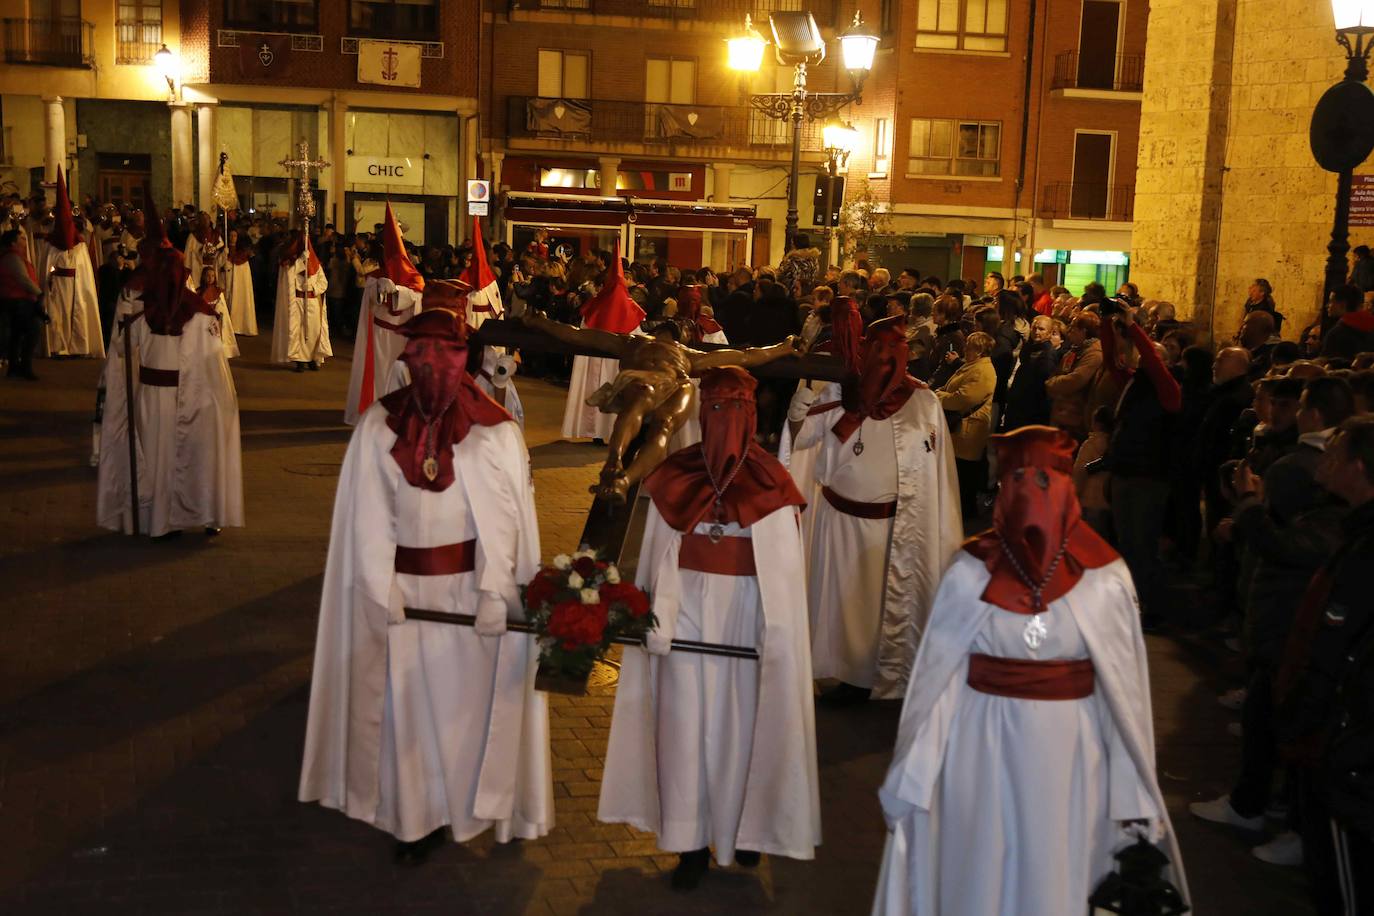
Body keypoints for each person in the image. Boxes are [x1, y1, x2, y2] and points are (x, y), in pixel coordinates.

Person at [872, 426, 1188, 916]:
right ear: (1002, 486)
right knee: (979, 863)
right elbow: (939, 682)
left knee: (1057, 865)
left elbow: (1125, 698)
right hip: (977, 743)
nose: (1032, 492)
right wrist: (914, 771)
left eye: (1046, 479)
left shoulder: (1105, 577)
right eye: (1019, 477)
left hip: (1072, 751)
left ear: (1068, 485)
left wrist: (1133, 796)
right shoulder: (969, 572)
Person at [298, 301, 552, 864]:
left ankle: (467, 808)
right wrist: (378, 584)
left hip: (468, 597)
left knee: (468, 709)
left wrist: (495, 591)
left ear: (466, 358)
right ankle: (416, 819)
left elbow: (505, 522)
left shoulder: (494, 433)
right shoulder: (377, 426)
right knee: (406, 708)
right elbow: (367, 513)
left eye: (448, 352)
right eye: (423, 352)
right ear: (409, 357)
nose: (434, 364)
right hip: (405, 598)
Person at [599, 367, 820, 890]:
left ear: (753, 415)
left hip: (746, 620)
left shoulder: (772, 482)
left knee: (748, 729)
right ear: (702, 414)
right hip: (686, 618)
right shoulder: (676, 474)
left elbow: (784, 577)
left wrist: (777, 635)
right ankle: (690, 840)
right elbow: (656, 556)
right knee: (685, 730)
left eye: (737, 409)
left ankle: (745, 829)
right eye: (716, 409)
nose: (726, 420)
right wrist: (658, 615)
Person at [791, 314, 963, 704]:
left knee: (881, 610)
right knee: (839, 605)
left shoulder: (924, 403)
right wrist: (798, 412)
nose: (884, 359)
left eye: (894, 351)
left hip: (895, 529)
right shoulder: (836, 394)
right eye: (877, 349)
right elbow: (798, 444)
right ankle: (838, 670)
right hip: (838, 526)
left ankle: (880, 675)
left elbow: (938, 468)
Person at [1274, 415, 1374, 914]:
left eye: (1334, 455)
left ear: (1358, 468)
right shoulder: (1353, 530)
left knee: (1342, 882)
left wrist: (1305, 715)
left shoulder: (1364, 546)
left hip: (1346, 738)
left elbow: (1339, 643)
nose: (1323, 466)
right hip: (1341, 729)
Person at [95, 238, 242, 539]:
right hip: (167, 395)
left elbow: (211, 364)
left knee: (169, 458)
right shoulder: (154, 311)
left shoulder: (181, 314)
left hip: (172, 396)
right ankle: (166, 518)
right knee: (168, 458)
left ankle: (172, 518)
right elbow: (123, 352)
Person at [344, 206, 423, 426]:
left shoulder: (412, 274)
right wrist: (378, 288)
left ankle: (401, 411)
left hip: (401, 337)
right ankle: (377, 411)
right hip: (380, 334)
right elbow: (369, 301)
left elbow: (418, 295)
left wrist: (398, 291)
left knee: (400, 375)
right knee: (379, 375)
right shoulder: (374, 275)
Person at [560, 246, 647, 443]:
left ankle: (596, 432)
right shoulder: (632, 310)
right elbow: (638, 336)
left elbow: (583, 331)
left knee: (596, 388)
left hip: (596, 360)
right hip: (619, 364)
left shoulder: (594, 307)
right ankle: (615, 431)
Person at [39, 169, 103, 360]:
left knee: (76, 312)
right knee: (58, 314)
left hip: (75, 284)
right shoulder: (50, 244)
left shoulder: (80, 245)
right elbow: (46, 268)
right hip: (57, 286)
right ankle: (58, 346)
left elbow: (85, 273)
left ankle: (77, 346)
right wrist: (48, 281)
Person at [937, 331, 998, 518]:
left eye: (969, 346)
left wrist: (938, 395)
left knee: (964, 477)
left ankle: (964, 516)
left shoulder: (982, 371)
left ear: (979, 351)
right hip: (963, 429)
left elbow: (963, 399)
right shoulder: (973, 366)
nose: (964, 349)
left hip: (970, 430)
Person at [271, 229, 331, 372]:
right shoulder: (289, 262)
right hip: (297, 301)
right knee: (298, 330)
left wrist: (312, 287)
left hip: (312, 301)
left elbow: (324, 282)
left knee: (314, 330)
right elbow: (288, 276)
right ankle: (300, 360)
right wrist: (300, 261)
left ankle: (312, 358)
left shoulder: (315, 263)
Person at [1046, 313, 1104, 439]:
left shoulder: (1094, 354)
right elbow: (1058, 372)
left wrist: (1051, 383)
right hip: (1063, 413)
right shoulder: (1075, 349)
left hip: (1074, 418)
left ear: (1083, 331)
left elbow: (1074, 380)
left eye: (1073, 327)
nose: (1069, 330)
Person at [0, 227, 42, 380]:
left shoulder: (15, 257)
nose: (25, 241)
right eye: (21, 239)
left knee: (17, 334)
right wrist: (39, 293)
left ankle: (15, 367)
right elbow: (23, 279)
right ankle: (24, 365)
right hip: (15, 302)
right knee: (34, 327)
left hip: (17, 301)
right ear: (13, 243)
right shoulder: (12, 258)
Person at [1320, 283, 1374, 360]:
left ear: (1342, 305)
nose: (1327, 305)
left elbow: (1325, 363)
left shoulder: (1336, 334)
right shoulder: (1371, 328)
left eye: (1331, 301)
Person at [223, 231, 257, 336]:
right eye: (230, 235)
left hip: (240, 276)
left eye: (234, 236)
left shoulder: (243, 254)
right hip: (230, 276)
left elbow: (239, 260)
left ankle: (241, 325)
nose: (232, 238)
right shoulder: (225, 248)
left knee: (242, 297)